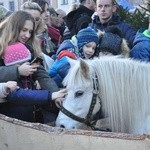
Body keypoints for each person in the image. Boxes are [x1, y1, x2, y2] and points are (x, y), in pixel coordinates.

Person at [0, 10, 65, 123]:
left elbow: (41, 74)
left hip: (29, 110)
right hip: (6, 114)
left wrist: (56, 95)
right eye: (24, 30)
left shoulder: (30, 48)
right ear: (14, 27)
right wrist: (17, 70)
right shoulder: (1, 45)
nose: (27, 35)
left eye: (30, 31)